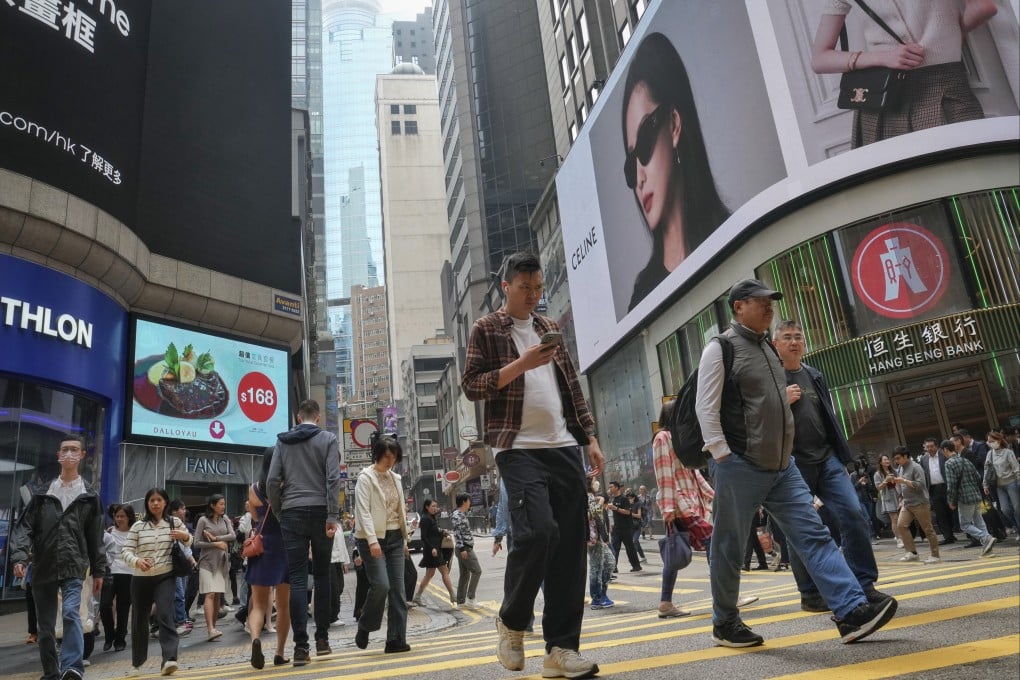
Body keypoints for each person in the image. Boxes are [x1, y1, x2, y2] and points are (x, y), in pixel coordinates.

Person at [696, 279, 897, 648]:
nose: (769, 307)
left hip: (782, 466)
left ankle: (851, 610)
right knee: (729, 544)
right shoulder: (720, 348)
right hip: (740, 465)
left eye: (771, 301)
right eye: (760, 302)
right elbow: (705, 408)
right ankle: (725, 622)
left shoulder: (769, 351)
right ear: (739, 306)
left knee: (814, 534)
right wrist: (723, 455)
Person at [462, 251, 604, 678]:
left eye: (538, 288)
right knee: (539, 531)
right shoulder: (486, 328)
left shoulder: (548, 327)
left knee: (569, 548)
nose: (533, 296)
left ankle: (561, 650)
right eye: (525, 288)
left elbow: (572, 388)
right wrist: (520, 365)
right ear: (506, 287)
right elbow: (471, 386)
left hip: (563, 446)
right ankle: (511, 620)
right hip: (516, 447)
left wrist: (590, 438)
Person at [773, 319, 888, 612]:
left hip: (827, 459)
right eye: (787, 337)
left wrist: (841, 454)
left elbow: (827, 416)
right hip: (793, 463)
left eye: (798, 336)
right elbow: (756, 421)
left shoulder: (814, 374)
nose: (794, 341)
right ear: (776, 344)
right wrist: (779, 402)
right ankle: (810, 593)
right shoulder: (770, 379)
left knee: (853, 514)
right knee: (801, 528)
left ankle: (864, 584)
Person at [621, 32, 730, 311]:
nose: (639, 178)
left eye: (644, 143)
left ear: (674, 123)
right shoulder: (643, 297)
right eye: (630, 164)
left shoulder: (731, 237)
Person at [810, 0, 998, 148]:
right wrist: (951, 36)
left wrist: (883, 57)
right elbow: (983, 7)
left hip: (885, 103)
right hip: (944, 89)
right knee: (966, 180)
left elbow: (820, 58)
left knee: (898, 190)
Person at [10, 434, 107, 680]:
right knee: (45, 628)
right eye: (65, 449)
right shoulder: (42, 494)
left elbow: (95, 536)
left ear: (83, 455)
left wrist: (99, 570)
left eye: (75, 449)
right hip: (43, 567)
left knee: (71, 613)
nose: (69, 454)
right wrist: (19, 558)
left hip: (74, 566)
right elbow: (24, 528)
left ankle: (72, 667)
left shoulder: (90, 496)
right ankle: (51, 673)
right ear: (58, 455)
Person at [267, 398, 341, 666]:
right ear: (317, 418)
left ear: (299, 418)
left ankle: (300, 648)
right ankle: (322, 640)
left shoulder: (283, 441)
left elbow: (272, 480)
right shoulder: (328, 439)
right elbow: (333, 478)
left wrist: (278, 510)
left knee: (298, 579)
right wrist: (333, 514)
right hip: (321, 512)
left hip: (292, 513)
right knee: (322, 576)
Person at [652, 401, 714, 618]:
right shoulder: (662, 438)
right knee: (711, 538)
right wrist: (669, 508)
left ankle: (665, 603)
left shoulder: (678, 440)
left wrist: (712, 494)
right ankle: (725, 594)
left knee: (674, 551)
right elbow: (664, 475)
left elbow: (693, 473)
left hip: (687, 502)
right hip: (679, 504)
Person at [121, 487, 192, 677]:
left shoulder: (174, 522)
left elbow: (189, 540)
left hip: (165, 576)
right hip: (140, 579)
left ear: (165, 502)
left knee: (165, 614)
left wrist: (184, 536)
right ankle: (136, 664)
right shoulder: (137, 526)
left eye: (159, 500)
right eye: (151, 500)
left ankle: (169, 659)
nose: (155, 503)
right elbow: (125, 551)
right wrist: (137, 561)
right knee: (138, 620)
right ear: (147, 503)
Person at [353, 436, 411, 653]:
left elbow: (400, 511)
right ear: (377, 454)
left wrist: (404, 539)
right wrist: (372, 540)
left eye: (394, 456)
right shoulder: (365, 478)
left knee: (398, 590)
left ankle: (395, 640)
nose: (391, 460)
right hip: (372, 539)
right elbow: (363, 512)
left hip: (395, 538)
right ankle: (365, 625)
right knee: (382, 585)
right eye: (387, 456)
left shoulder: (396, 478)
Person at [246, 448, 293, 669]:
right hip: (284, 547)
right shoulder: (288, 487)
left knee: (258, 605)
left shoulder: (253, 489)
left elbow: (256, 519)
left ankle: (256, 638)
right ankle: (280, 653)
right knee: (283, 606)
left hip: (262, 547)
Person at [943, 439, 997, 556]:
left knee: (965, 525)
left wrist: (951, 500)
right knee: (979, 522)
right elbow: (978, 477)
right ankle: (988, 550)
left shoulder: (949, 463)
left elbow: (951, 484)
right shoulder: (965, 461)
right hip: (976, 496)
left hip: (964, 498)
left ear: (945, 450)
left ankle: (986, 538)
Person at [193, 494, 234, 641]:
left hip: (222, 562)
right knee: (209, 594)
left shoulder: (225, 519)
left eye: (224, 504)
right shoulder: (203, 520)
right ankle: (210, 629)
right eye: (220, 504)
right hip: (207, 562)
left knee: (217, 595)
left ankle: (214, 627)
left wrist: (216, 538)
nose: (223, 506)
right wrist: (214, 544)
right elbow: (196, 543)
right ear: (212, 505)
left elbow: (233, 536)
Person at [891, 447, 941, 563]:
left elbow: (920, 485)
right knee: (901, 525)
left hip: (920, 502)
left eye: (898, 458)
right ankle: (912, 552)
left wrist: (904, 481)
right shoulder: (900, 468)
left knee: (928, 529)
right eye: (895, 459)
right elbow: (902, 486)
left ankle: (935, 555)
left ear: (905, 456)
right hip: (907, 503)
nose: (896, 461)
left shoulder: (916, 467)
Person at [100, 503, 136, 652]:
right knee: (104, 605)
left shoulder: (135, 533)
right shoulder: (109, 532)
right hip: (110, 573)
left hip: (129, 573)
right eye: (117, 516)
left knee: (123, 607)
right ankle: (109, 634)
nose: (119, 519)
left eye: (122, 516)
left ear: (129, 518)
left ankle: (120, 638)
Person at [413, 499, 456, 607]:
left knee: (430, 574)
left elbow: (434, 532)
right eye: (433, 506)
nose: (435, 508)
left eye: (436, 506)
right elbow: (424, 536)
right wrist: (432, 548)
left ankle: (417, 597)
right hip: (432, 550)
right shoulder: (425, 519)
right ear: (427, 507)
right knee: (444, 571)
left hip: (435, 549)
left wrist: (443, 532)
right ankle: (453, 596)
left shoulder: (432, 518)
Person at [983, 430, 1020, 539]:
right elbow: (987, 470)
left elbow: (1016, 468)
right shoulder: (990, 454)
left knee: (1017, 508)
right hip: (999, 486)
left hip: (1011, 483)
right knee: (1005, 510)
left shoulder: (1008, 452)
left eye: (992, 441)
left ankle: (1019, 530)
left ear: (999, 440)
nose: (990, 443)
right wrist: (985, 484)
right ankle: (1017, 527)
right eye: (989, 441)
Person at [585, 477, 615, 611]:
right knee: (596, 567)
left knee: (609, 562)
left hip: (599, 537)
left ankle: (602, 594)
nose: (596, 483)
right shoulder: (588, 496)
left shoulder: (591, 496)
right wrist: (601, 501)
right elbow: (593, 513)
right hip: (594, 537)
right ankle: (596, 599)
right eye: (593, 481)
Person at [452, 493, 482, 609]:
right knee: (477, 571)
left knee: (464, 575)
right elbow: (457, 533)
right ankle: (470, 598)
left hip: (464, 548)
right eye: (469, 500)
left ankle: (460, 602)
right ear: (464, 502)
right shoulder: (457, 515)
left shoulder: (461, 514)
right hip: (465, 548)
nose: (470, 502)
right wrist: (462, 548)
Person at [606, 481, 642, 572]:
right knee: (615, 547)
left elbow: (628, 512)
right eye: (609, 487)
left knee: (629, 547)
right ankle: (613, 567)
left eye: (611, 487)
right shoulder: (612, 499)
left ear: (617, 488)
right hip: (616, 528)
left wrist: (616, 508)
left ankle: (636, 566)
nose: (610, 488)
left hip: (626, 527)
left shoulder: (624, 499)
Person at [874, 455, 904, 548]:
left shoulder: (894, 471)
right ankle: (899, 539)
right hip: (888, 497)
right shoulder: (878, 474)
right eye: (885, 459)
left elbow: (900, 483)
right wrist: (886, 481)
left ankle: (903, 537)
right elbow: (878, 487)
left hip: (897, 494)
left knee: (901, 518)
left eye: (888, 459)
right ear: (880, 462)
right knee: (894, 519)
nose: (887, 461)